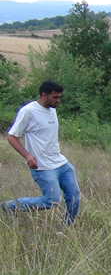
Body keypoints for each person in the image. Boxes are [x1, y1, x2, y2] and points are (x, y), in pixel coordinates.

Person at [2, 81, 80, 226]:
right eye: (55, 97)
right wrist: (27, 155)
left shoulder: (52, 110)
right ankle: (10, 206)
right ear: (44, 95)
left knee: (74, 197)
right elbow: (11, 136)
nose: (58, 100)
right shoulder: (29, 111)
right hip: (42, 166)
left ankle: (67, 227)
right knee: (52, 201)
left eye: (59, 97)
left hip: (60, 163)